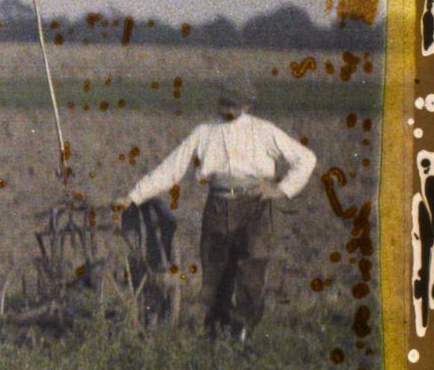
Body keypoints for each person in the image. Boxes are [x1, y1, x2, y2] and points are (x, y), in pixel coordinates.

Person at [120, 78, 316, 340]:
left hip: (254, 206)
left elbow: (306, 158)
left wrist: (280, 190)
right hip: (217, 205)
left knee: (253, 267)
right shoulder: (204, 133)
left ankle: (242, 330)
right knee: (215, 271)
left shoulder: (264, 131)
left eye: (233, 104)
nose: (227, 108)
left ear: (247, 105)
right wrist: (134, 196)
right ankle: (215, 332)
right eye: (224, 102)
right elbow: (172, 168)